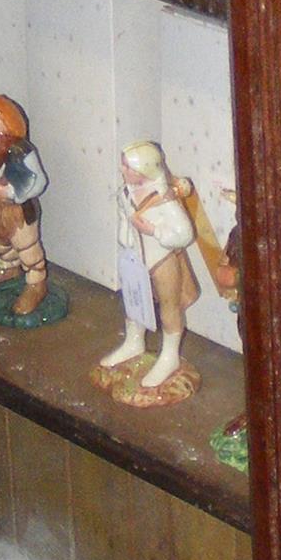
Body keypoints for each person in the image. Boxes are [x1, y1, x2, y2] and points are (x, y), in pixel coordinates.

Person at [97, 139, 200, 402]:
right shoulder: (126, 192)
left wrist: (153, 231)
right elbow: (124, 219)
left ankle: (170, 356)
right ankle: (134, 341)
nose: (123, 170)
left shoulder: (164, 200)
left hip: (161, 260)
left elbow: (184, 233)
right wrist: (126, 238)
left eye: (127, 167)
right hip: (135, 259)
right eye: (123, 165)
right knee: (133, 299)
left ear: (144, 170)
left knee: (169, 307)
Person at [0, 94, 64, 324]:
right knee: (1, 243)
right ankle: (7, 269)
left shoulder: (21, 151)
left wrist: (11, 192)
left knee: (27, 248)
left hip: (20, 210)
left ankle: (36, 283)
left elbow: (38, 181)